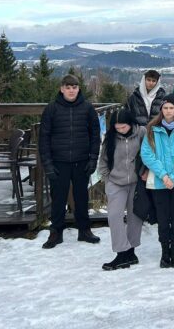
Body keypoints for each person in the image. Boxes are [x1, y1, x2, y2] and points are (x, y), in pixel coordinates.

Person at [40, 74, 102, 249]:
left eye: (74, 87)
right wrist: (48, 164)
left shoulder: (88, 108)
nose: (71, 90)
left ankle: (84, 230)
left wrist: (93, 159)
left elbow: (95, 136)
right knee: (58, 198)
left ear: (78, 89)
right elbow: (43, 139)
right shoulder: (51, 109)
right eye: (68, 87)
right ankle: (56, 232)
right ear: (62, 89)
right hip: (58, 161)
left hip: (82, 161)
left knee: (81, 197)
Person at [141, 95, 174, 268]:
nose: (168, 111)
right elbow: (147, 154)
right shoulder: (152, 129)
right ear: (161, 110)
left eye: (171, 108)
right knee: (163, 220)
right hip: (159, 183)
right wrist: (164, 176)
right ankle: (165, 252)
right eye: (165, 108)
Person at [97, 108, 145, 270]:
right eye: (117, 128)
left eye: (124, 127)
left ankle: (131, 252)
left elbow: (149, 154)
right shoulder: (110, 137)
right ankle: (121, 252)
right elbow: (103, 160)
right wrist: (107, 177)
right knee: (114, 216)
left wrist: (144, 173)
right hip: (115, 182)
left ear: (131, 124)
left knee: (135, 217)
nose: (121, 130)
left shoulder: (141, 133)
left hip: (136, 182)